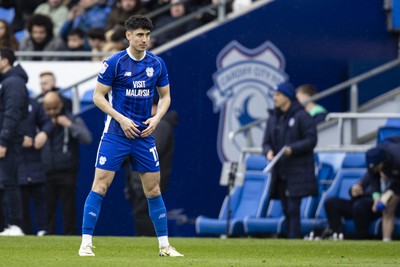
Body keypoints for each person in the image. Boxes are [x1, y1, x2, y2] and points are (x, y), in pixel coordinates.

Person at [78, 14, 183, 257]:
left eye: (147, 35)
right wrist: (121, 119)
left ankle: (165, 246)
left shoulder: (157, 64)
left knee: (153, 190)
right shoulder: (114, 63)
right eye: (139, 35)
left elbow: (165, 97)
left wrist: (157, 119)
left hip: (143, 135)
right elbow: (97, 96)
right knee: (100, 186)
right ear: (128, 36)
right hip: (115, 133)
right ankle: (85, 243)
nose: (144, 39)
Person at [262, 81, 318, 239]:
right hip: (280, 171)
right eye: (274, 95)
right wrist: (268, 152)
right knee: (286, 209)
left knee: (294, 208)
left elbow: (311, 140)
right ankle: (290, 241)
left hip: (297, 171)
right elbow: (265, 142)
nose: (275, 98)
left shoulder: (302, 116)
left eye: (278, 95)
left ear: (287, 96)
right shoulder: (273, 118)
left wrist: (292, 149)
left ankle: (295, 241)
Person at [125, 96, 179, 236]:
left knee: (143, 214)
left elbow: (153, 149)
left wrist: (129, 147)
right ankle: (151, 243)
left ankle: (152, 243)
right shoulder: (151, 126)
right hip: (141, 180)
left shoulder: (160, 126)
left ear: (155, 107)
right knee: (143, 213)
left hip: (150, 179)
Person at [42, 91, 92, 235]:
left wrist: (69, 125)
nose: (51, 112)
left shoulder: (71, 118)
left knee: (68, 208)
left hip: (67, 170)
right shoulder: (42, 122)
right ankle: (47, 235)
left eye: (54, 108)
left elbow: (87, 138)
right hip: (46, 170)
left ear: (60, 106)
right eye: (48, 109)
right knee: (48, 209)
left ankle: (69, 236)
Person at [0, 48, 29, 236]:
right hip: (5, 140)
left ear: (4, 61)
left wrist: (3, 141)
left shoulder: (14, 82)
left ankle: (15, 226)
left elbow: (12, 113)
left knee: (8, 182)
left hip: (8, 142)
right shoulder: (7, 82)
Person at [17, 97, 52, 236]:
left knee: (41, 201)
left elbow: (47, 122)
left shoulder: (33, 104)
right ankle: (23, 232)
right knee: (20, 204)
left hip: (36, 162)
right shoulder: (5, 103)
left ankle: (44, 230)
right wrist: (18, 139)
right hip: (15, 163)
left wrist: (44, 133)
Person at [322, 163, 381, 240]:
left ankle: (361, 238)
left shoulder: (388, 174)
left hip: (374, 206)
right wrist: (352, 190)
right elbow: (360, 185)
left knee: (359, 205)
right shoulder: (370, 173)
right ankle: (336, 234)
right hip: (358, 202)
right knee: (331, 203)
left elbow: (376, 191)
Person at [366, 139, 400, 241]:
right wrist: (377, 198)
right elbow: (374, 179)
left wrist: (389, 193)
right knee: (387, 208)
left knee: (389, 197)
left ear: (382, 161)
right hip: (395, 179)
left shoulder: (397, 156)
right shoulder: (371, 160)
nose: (375, 169)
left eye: (377, 167)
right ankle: (386, 242)